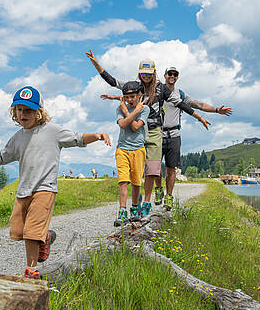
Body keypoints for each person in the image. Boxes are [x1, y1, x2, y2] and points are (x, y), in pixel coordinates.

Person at [0, 85, 111, 279]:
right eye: (19, 110)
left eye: (28, 110)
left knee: (30, 233)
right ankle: (44, 237)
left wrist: (97, 136)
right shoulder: (18, 137)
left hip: (45, 189)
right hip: (24, 191)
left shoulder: (52, 131)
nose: (23, 114)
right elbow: (2, 156)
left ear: (39, 112)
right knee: (17, 231)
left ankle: (31, 270)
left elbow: (77, 138)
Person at [86, 50, 210, 215]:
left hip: (155, 130)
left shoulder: (161, 89)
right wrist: (96, 63)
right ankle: (134, 204)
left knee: (152, 168)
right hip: (137, 131)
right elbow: (111, 81)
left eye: (149, 73)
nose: (146, 76)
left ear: (154, 73)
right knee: (136, 171)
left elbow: (180, 104)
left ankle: (146, 202)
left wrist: (199, 117)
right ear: (139, 73)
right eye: (143, 73)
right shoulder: (133, 86)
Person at [155, 66, 233, 206]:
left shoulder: (181, 94)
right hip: (157, 133)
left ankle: (169, 196)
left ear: (177, 77)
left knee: (171, 168)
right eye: (170, 74)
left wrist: (216, 110)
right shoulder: (158, 91)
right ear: (165, 75)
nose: (172, 76)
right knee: (155, 168)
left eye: (175, 74)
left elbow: (199, 105)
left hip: (174, 134)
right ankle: (159, 189)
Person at [113, 81, 149, 226]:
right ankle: (122, 211)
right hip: (122, 148)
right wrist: (132, 111)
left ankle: (134, 208)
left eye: (133, 97)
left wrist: (128, 112)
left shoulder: (145, 109)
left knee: (136, 181)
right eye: (126, 97)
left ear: (139, 95)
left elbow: (135, 127)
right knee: (123, 180)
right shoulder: (120, 108)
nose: (129, 100)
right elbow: (122, 124)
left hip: (138, 149)